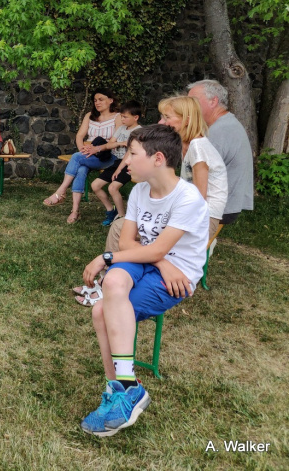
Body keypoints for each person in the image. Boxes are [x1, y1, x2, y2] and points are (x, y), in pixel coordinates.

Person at [79, 124, 208, 436]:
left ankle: (122, 390)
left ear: (158, 159)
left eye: (132, 155)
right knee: (111, 285)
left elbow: (150, 248)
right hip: (151, 263)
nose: (126, 162)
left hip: (178, 278)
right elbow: (126, 244)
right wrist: (161, 262)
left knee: (100, 310)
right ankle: (125, 388)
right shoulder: (138, 190)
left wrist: (106, 257)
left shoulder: (187, 198)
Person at [43, 88, 121, 223]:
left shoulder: (118, 117)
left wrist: (93, 150)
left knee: (76, 158)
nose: (97, 103)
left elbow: (117, 140)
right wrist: (84, 151)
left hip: (109, 156)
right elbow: (79, 136)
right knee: (80, 168)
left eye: (101, 99)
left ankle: (61, 192)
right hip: (90, 155)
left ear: (111, 100)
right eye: (95, 100)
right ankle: (75, 211)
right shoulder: (90, 116)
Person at [159, 96, 228, 242]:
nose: (163, 122)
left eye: (167, 117)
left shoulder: (198, 146)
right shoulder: (189, 145)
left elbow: (199, 197)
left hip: (204, 218)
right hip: (195, 213)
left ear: (187, 120)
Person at [186, 79, 254, 225]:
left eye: (193, 100)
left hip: (220, 207)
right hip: (228, 203)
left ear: (213, 101)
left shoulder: (219, 131)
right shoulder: (225, 123)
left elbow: (199, 176)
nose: (189, 106)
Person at [90, 101, 143, 226]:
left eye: (125, 117)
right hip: (117, 162)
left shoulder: (138, 132)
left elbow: (129, 153)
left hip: (131, 165)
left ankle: (121, 216)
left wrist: (119, 169)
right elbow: (109, 144)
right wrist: (120, 143)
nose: (122, 119)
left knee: (112, 188)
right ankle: (111, 210)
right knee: (95, 185)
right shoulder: (121, 129)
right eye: (121, 116)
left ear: (135, 117)